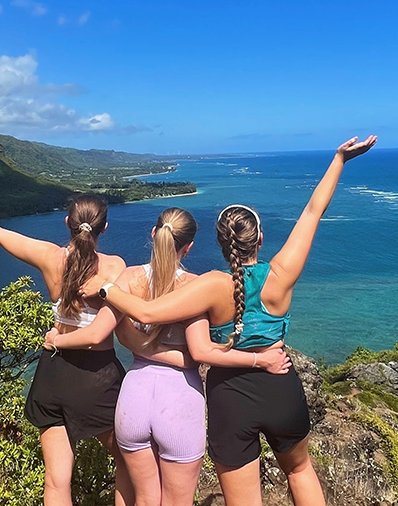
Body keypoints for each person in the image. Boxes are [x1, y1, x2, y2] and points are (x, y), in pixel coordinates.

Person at [81, 136, 378, 506]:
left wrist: (106, 288)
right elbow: (313, 211)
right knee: (300, 471)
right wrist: (339, 160)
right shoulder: (280, 275)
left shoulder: (211, 287)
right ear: (260, 239)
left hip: (230, 399)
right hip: (280, 385)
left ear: (221, 244)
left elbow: (146, 314)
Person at [44, 207, 291, 506]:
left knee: (144, 499)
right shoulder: (195, 286)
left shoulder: (128, 278)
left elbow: (104, 333)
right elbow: (197, 355)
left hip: (133, 398)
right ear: (188, 247)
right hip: (179, 401)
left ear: (153, 234)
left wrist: (60, 339)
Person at [0, 187, 131, 506]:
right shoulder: (115, 267)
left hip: (53, 374)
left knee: (56, 481)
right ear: (105, 227)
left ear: (67, 223)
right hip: (97, 378)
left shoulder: (48, 257)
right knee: (131, 462)